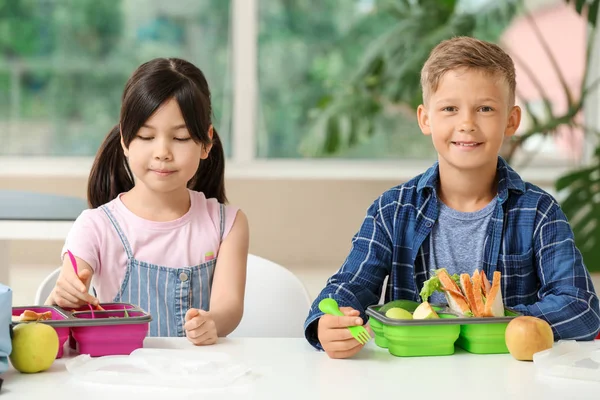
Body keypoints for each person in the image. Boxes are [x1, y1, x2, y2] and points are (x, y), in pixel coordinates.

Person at [304, 36, 600, 359]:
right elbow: (348, 286)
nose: (467, 124)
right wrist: (326, 323)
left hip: (509, 382)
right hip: (413, 380)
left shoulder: (539, 212)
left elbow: (581, 307)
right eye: (449, 109)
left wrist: (491, 320)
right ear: (425, 119)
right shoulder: (391, 211)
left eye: (485, 108)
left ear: (511, 120)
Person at [46, 58, 249, 346]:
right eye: (146, 136)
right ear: (126, 141)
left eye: (180, 137)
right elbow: (74, 280)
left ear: (206, 142)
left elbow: (229, 307)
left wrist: (212, 322)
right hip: (121, 378)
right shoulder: (96, 225)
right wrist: (65, 295)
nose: (162, 152)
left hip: (196, 380)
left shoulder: (228, 224)